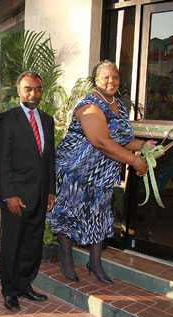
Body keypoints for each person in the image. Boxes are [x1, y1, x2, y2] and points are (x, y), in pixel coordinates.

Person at [47, 60, 151, 285]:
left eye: (115, 77)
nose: (111, 81)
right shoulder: (90, 105)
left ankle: (95, 263)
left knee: (99, 217)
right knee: (68, 216)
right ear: (96, 80)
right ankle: (66, 259)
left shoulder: (118, 105)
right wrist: (134, 161)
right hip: (75, 172)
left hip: (101, 176)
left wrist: (145, 146)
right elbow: (101, 141)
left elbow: (124, 139)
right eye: (106, 77)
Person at [0, 71, 56, 311]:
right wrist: (8, 194)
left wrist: (51, 190)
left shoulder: (47, 120)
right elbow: (1, 160)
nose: (34, 93)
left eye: (38, 89)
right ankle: (9, 291)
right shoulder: (7, 119)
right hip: (16, 196)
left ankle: (24, 285)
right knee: (11, 245)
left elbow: (49, 159)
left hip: (40, 195)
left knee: (32, 244)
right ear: (18, 91)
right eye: (28, 89)